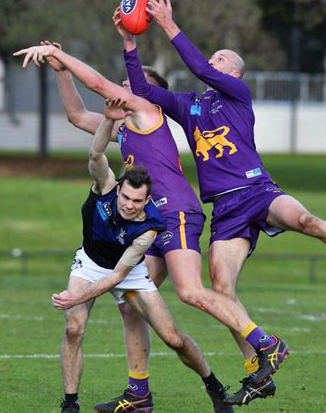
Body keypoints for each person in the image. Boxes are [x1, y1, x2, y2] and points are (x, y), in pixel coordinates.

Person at [113, 0, 326, 406]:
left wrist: (167, 23)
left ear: (233, 71)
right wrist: (129, 41)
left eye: (220, 59)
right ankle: (257, 369)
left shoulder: (238, 93)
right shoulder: (189, 105)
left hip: (256, 190)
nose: (212, 62)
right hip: (225, 209)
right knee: (221, 288)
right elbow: (142, 88)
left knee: (304, 219)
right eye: (214, 58)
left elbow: (196, 65)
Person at [38, 41, 234, 413]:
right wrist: (62, 72)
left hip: (166, 217)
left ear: (147, 97)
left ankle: (223, 374)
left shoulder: (149, 118)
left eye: (132, 85)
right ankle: (135, 393)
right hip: (126, 238)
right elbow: (79, 116)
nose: (123, 88)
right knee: (114, 316)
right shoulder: (125, 128)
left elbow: (99, 87)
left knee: (176, 329)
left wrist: (64, 56)